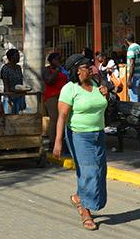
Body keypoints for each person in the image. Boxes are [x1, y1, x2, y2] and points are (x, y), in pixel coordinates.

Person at [53, 54, 108, 231]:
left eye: (90, 66)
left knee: (99, 170)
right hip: (79, 136)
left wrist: (105, 95)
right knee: (89, 172)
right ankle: (85, 211)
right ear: (77, 71)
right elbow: (61, 117)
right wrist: (58, 142)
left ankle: (79, 196)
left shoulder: (95, 85)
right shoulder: (69, 89)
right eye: (87, 67)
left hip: (98, 134)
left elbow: (100, 107)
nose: (91, 68)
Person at [43, 52, 69, 146]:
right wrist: (57, 70)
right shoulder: (47, 70)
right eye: (57, 59)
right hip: (52, 96)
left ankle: (63, 140)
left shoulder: (63, 70)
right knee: (54, 119)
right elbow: (49, 81)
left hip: (63, 96)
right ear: (51, 61)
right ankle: (52, 141)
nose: (59, 61)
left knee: (64, 118)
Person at [0, 48, 25, 114]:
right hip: (10, 95)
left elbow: (20, 81)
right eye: (17, 55)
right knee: (9, 116)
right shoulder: (5, 68)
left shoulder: (18, 68)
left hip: (19, 95)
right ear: (11, 57)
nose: (18, 57)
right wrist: (9, 97)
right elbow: (6, 83)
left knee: (19, 117)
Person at [124, 34, 140, 103]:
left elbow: (132, 64)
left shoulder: (130, 49)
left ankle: (135, 113)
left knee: (134, 99)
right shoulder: (139, 47)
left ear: (126, 41)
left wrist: (129, 79)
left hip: (134, 76)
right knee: (139, 97)